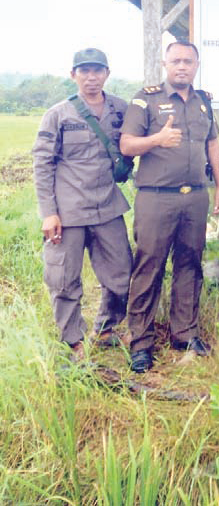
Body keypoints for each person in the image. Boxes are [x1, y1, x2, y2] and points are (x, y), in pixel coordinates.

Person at [120, 40, 219, 373]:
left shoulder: (204, 102)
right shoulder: (146, 99)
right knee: (149, 266)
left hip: (194, 196)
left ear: (197, 65)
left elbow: (213, 143)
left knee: (189, 264)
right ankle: (141, 343)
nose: (182, 66)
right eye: (176, 61)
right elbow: (126, 145)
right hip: (156, 197)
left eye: (188, 62)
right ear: (165, 64)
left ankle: (184, 333)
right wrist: (156, 140)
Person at [32, 48, 132, 359]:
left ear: (107, 74)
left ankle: (106, 328)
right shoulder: (58, 114)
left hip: (107, 206)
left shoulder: (120, 109)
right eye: (84, 71)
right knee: (63, 278)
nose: (91, 77)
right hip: (68, 210)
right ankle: (73, 340)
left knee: (122, 272)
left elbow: (149, 127)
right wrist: (49, 213)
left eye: (97, 70)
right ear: (73, 74)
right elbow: (42, 163)